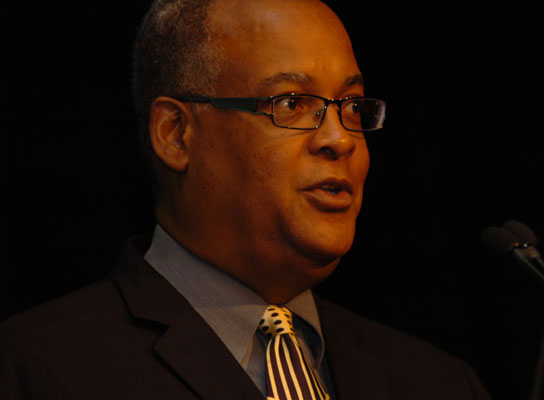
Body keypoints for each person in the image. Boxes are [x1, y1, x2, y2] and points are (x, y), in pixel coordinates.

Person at [0, 0, 491, 398]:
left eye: (352, 107)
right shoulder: (38, 369)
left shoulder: (439, 382)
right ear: (176, 134)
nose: (340, 139)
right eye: (292, 103)